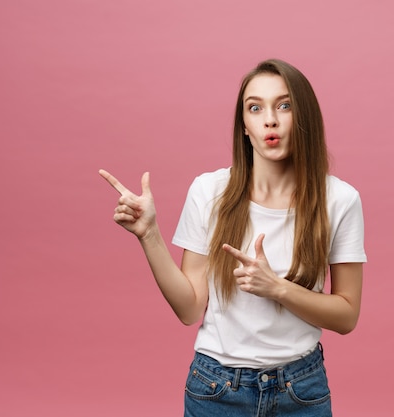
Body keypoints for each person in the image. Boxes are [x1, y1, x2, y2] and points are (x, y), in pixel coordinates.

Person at [99, 58, 366, 417]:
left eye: (283, 105)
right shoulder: (210, 191)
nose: (269, 119)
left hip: (301, 389)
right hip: (217, 390)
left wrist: (277, 288)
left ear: (304, 116)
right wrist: (149, 236)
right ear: (244, 125)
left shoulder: (340, 199)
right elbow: (189, 308)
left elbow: (347, 316)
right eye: (255, 108)